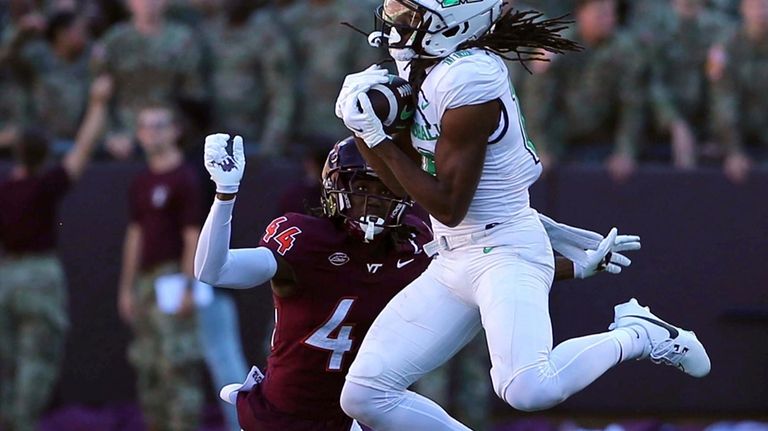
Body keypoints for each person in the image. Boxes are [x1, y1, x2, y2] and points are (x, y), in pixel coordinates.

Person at [334, 1, 711, 429]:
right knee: (365, 394)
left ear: (454, 23)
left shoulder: (468, 79)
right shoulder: (426, 68)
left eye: (410, 14)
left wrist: (372, 136)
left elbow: (448, 205)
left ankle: (638, 334)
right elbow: (409, 185)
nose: (396, 21)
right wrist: (363, 131)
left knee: (527, 388)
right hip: (454, 257)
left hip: (503, 249)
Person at [195, 134, 641, 430]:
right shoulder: (305, 240)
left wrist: (578, 267)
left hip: (352, 417)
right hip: (279, 415)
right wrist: (225, 196)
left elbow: (492, 263)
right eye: (361, 187)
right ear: (335, 188)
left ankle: (637, 335)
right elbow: (213, 271)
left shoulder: (417, 240)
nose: (372, 200)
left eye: (383, 188)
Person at [0, 75, 111, 431]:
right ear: (45, 154)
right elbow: (82, 149)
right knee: (37, 359)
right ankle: (21, 422)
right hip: (40, 277)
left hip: (5, 276)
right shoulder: (46, 184)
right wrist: (97, 102)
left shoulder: (5, 190)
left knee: (7, 359)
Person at [116, 104, 206, 431]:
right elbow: (135, 234)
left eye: (158, 126)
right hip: (145, 282)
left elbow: (192, 237)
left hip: (172, 278)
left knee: (177, 365)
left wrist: (188, 285)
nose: (151, 133)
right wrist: (127, 288)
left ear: (174, 131)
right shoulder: (141, 181)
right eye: (144, 126)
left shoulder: (186, 178)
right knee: (148, 365)